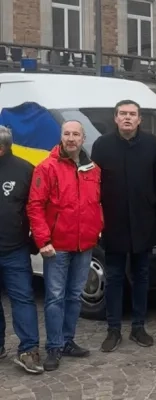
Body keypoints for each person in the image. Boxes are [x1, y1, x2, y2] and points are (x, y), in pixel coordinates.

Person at [27, 120, 103, 371]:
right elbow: (35, 207)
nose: (71, 138)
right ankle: (54, 347)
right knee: (55, 298)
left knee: (73, 297)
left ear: (83, 138)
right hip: (56, 246)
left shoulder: (93, 169)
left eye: (76, 134)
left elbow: (98, 202)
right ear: (61, 137)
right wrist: (43, 241)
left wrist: (98, 226)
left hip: (85, 244)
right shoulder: (46, 167)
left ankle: (68, 340)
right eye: (67, 134)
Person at [91, 100, 156, 352]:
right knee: (113, 277)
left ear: (140, 119)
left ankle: (138, 327)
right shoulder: (102, 145)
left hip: (145, 222)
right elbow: (93, 185)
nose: (128, 118)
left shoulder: (152, 144)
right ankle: (113, 329)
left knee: (142, 276)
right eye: (123, 114)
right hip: (114, 223)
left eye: (132, 114)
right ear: (115, 118)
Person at [0, 126, 43, 374]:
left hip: (14, 249)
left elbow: (37, 208)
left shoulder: (25, 169)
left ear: (3, 147)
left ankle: (29, 349)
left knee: (23, 299)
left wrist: (36, 240)